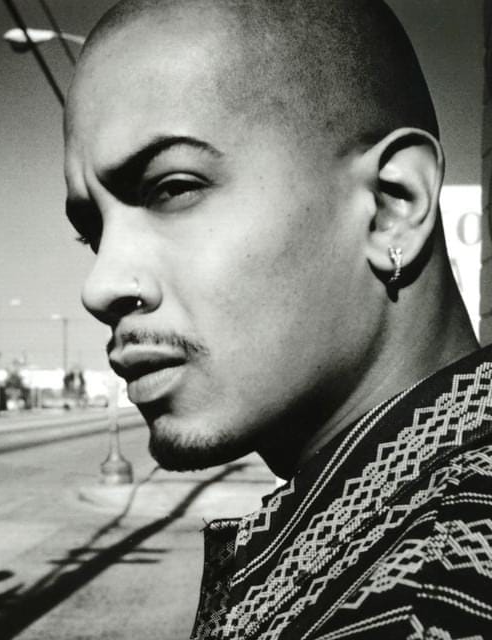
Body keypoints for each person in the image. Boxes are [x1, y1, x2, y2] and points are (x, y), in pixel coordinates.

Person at [63, 1, 492, 637]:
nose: (100, 287)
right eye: (92, 231)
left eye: (173, 188)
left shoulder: (429, 604)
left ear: (391, 208)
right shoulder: (373, 538)